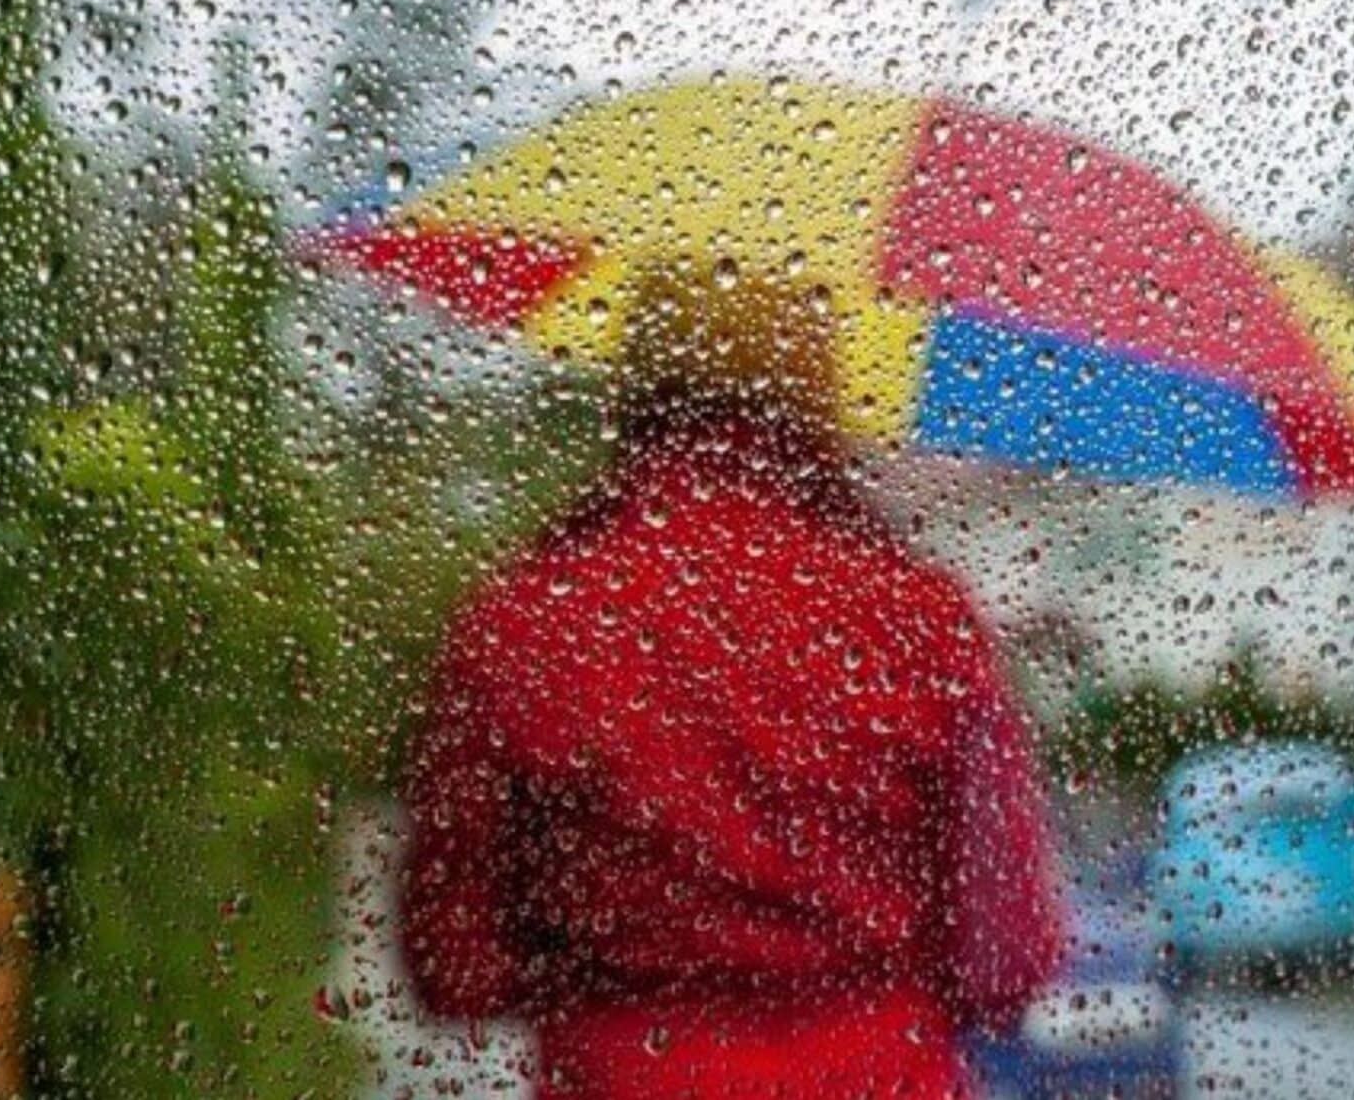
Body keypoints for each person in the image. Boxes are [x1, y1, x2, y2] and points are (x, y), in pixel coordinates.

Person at [400, 272, 1062, 1098]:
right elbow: (1009, 960)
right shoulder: (922, 622)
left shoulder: (523, 624)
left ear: (635, 387)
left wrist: (612, 948)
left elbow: (452, 967)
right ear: (822, 389)